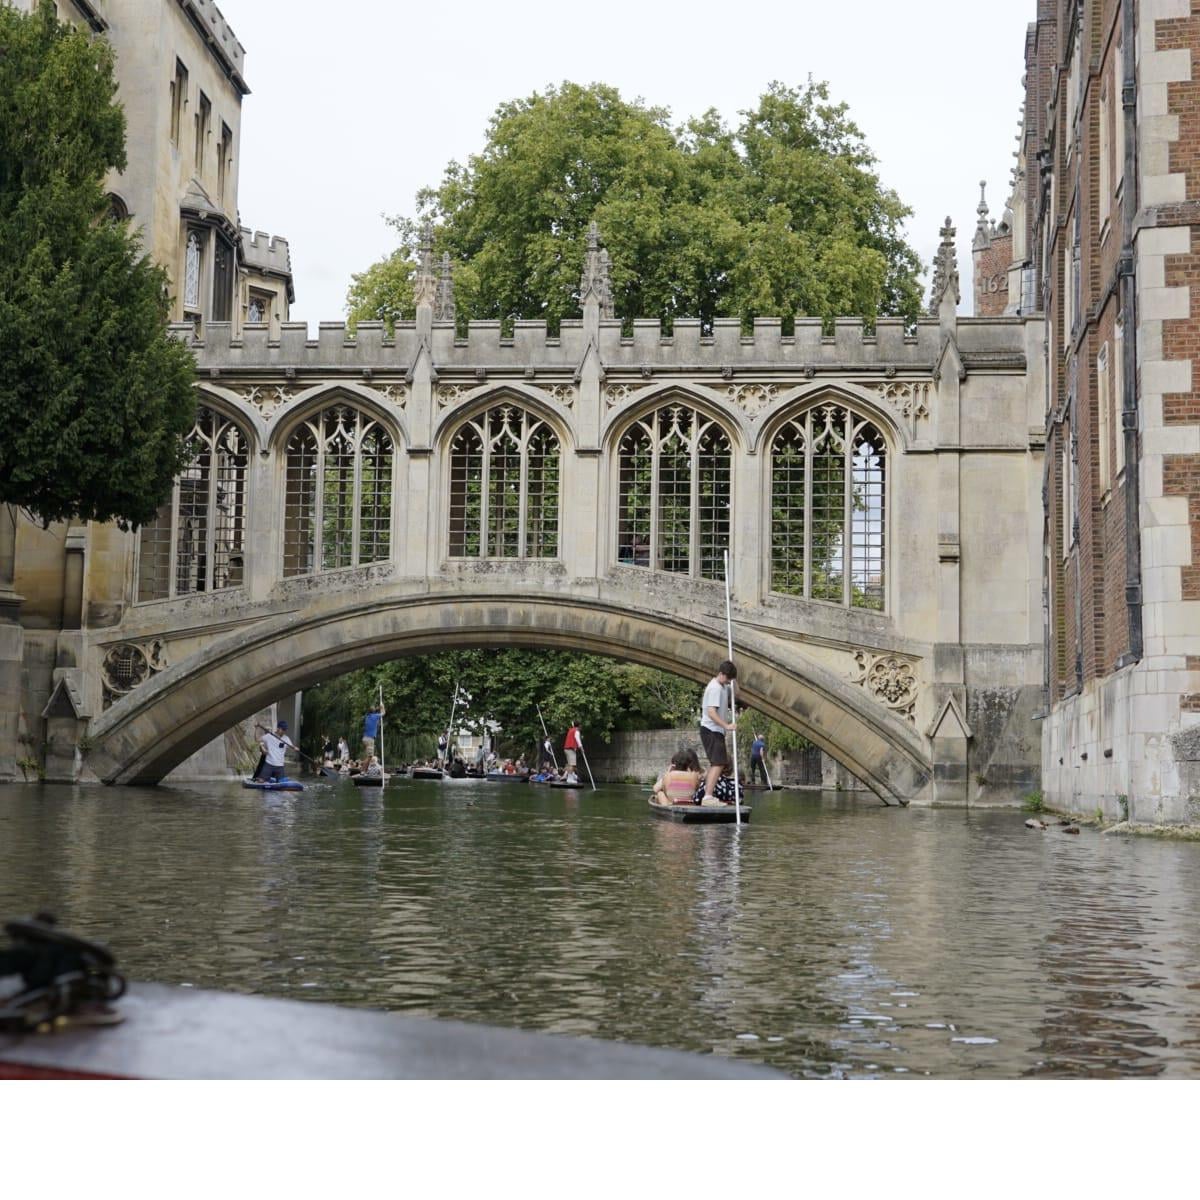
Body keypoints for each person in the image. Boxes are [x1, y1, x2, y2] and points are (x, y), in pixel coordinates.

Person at [700, 660, 737, 803]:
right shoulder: (715, 688)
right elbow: (711, 712)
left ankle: (707, 794)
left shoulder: (723, 686)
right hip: (711, 729)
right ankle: (707, 796)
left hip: (716, 730)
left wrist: (735, 679)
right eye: (728, 678)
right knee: (719, 763)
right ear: (721, 674)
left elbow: (737, 693)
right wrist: (726, 725)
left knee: (718, 763)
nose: (729, 682)